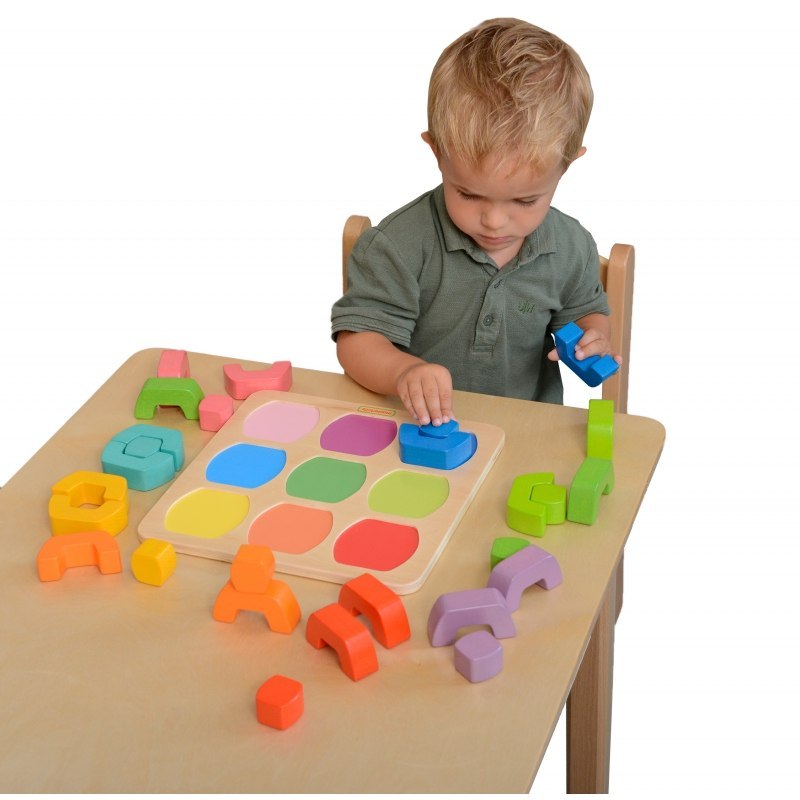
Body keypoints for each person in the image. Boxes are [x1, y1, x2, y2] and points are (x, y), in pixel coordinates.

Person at [331, 18, 620, 426]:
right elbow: (357, 342)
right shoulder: (398, 246)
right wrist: (402, 372)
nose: (494, 221)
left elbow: (585, 314)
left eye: (525, 200)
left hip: (526, 429)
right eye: (468, 194)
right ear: (437, 152)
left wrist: (594, 336)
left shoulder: (572, 247)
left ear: (566, 166)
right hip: (416, 427)